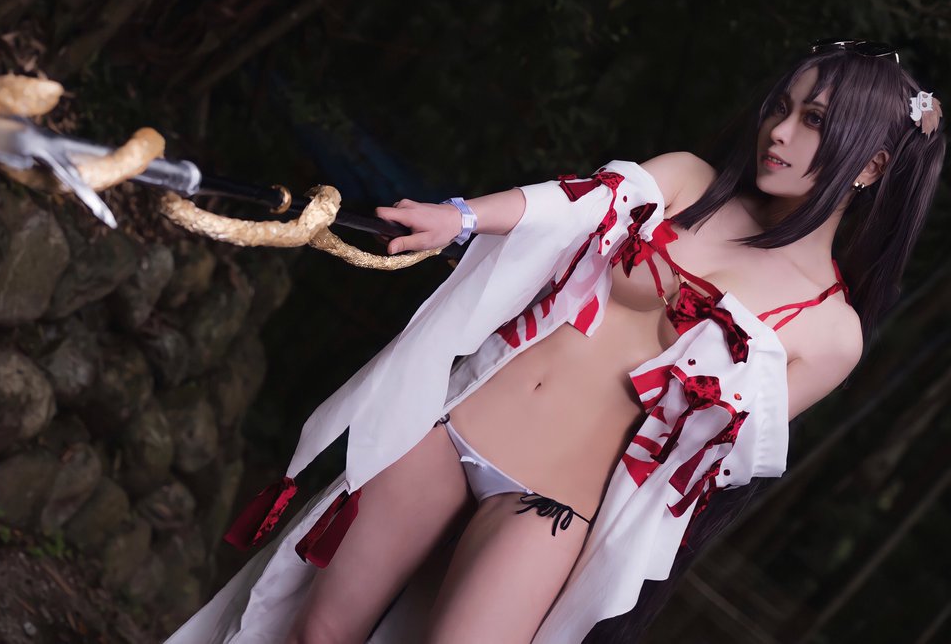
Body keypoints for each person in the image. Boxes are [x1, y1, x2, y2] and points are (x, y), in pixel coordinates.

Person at [166, 41, 945, 644]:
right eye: (784, 106)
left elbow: (706, 457)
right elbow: (579, 204)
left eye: (815, 121)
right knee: (318, 631)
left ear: (872, 165)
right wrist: (460, 218)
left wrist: (719, 357)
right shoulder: (688, 182)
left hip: (552, 505)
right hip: (455, 427)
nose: (779, 131)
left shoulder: (831, 332)